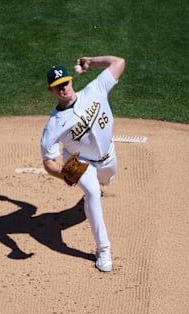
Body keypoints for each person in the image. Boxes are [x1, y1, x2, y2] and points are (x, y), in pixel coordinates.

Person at [40, 55, 126, 272]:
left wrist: (91, 62)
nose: (63, 89)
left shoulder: (94, 89)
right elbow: (48, 161)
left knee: (106, 181)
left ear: (71, 81)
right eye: (57, 86)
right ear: (51, 90)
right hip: (81, 161)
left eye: (65, 83)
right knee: (93, 193)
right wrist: (66, 174)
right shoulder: (53, 126)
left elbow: (118, 62)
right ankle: (103, 249)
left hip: (108, 156)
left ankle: (98, 185)